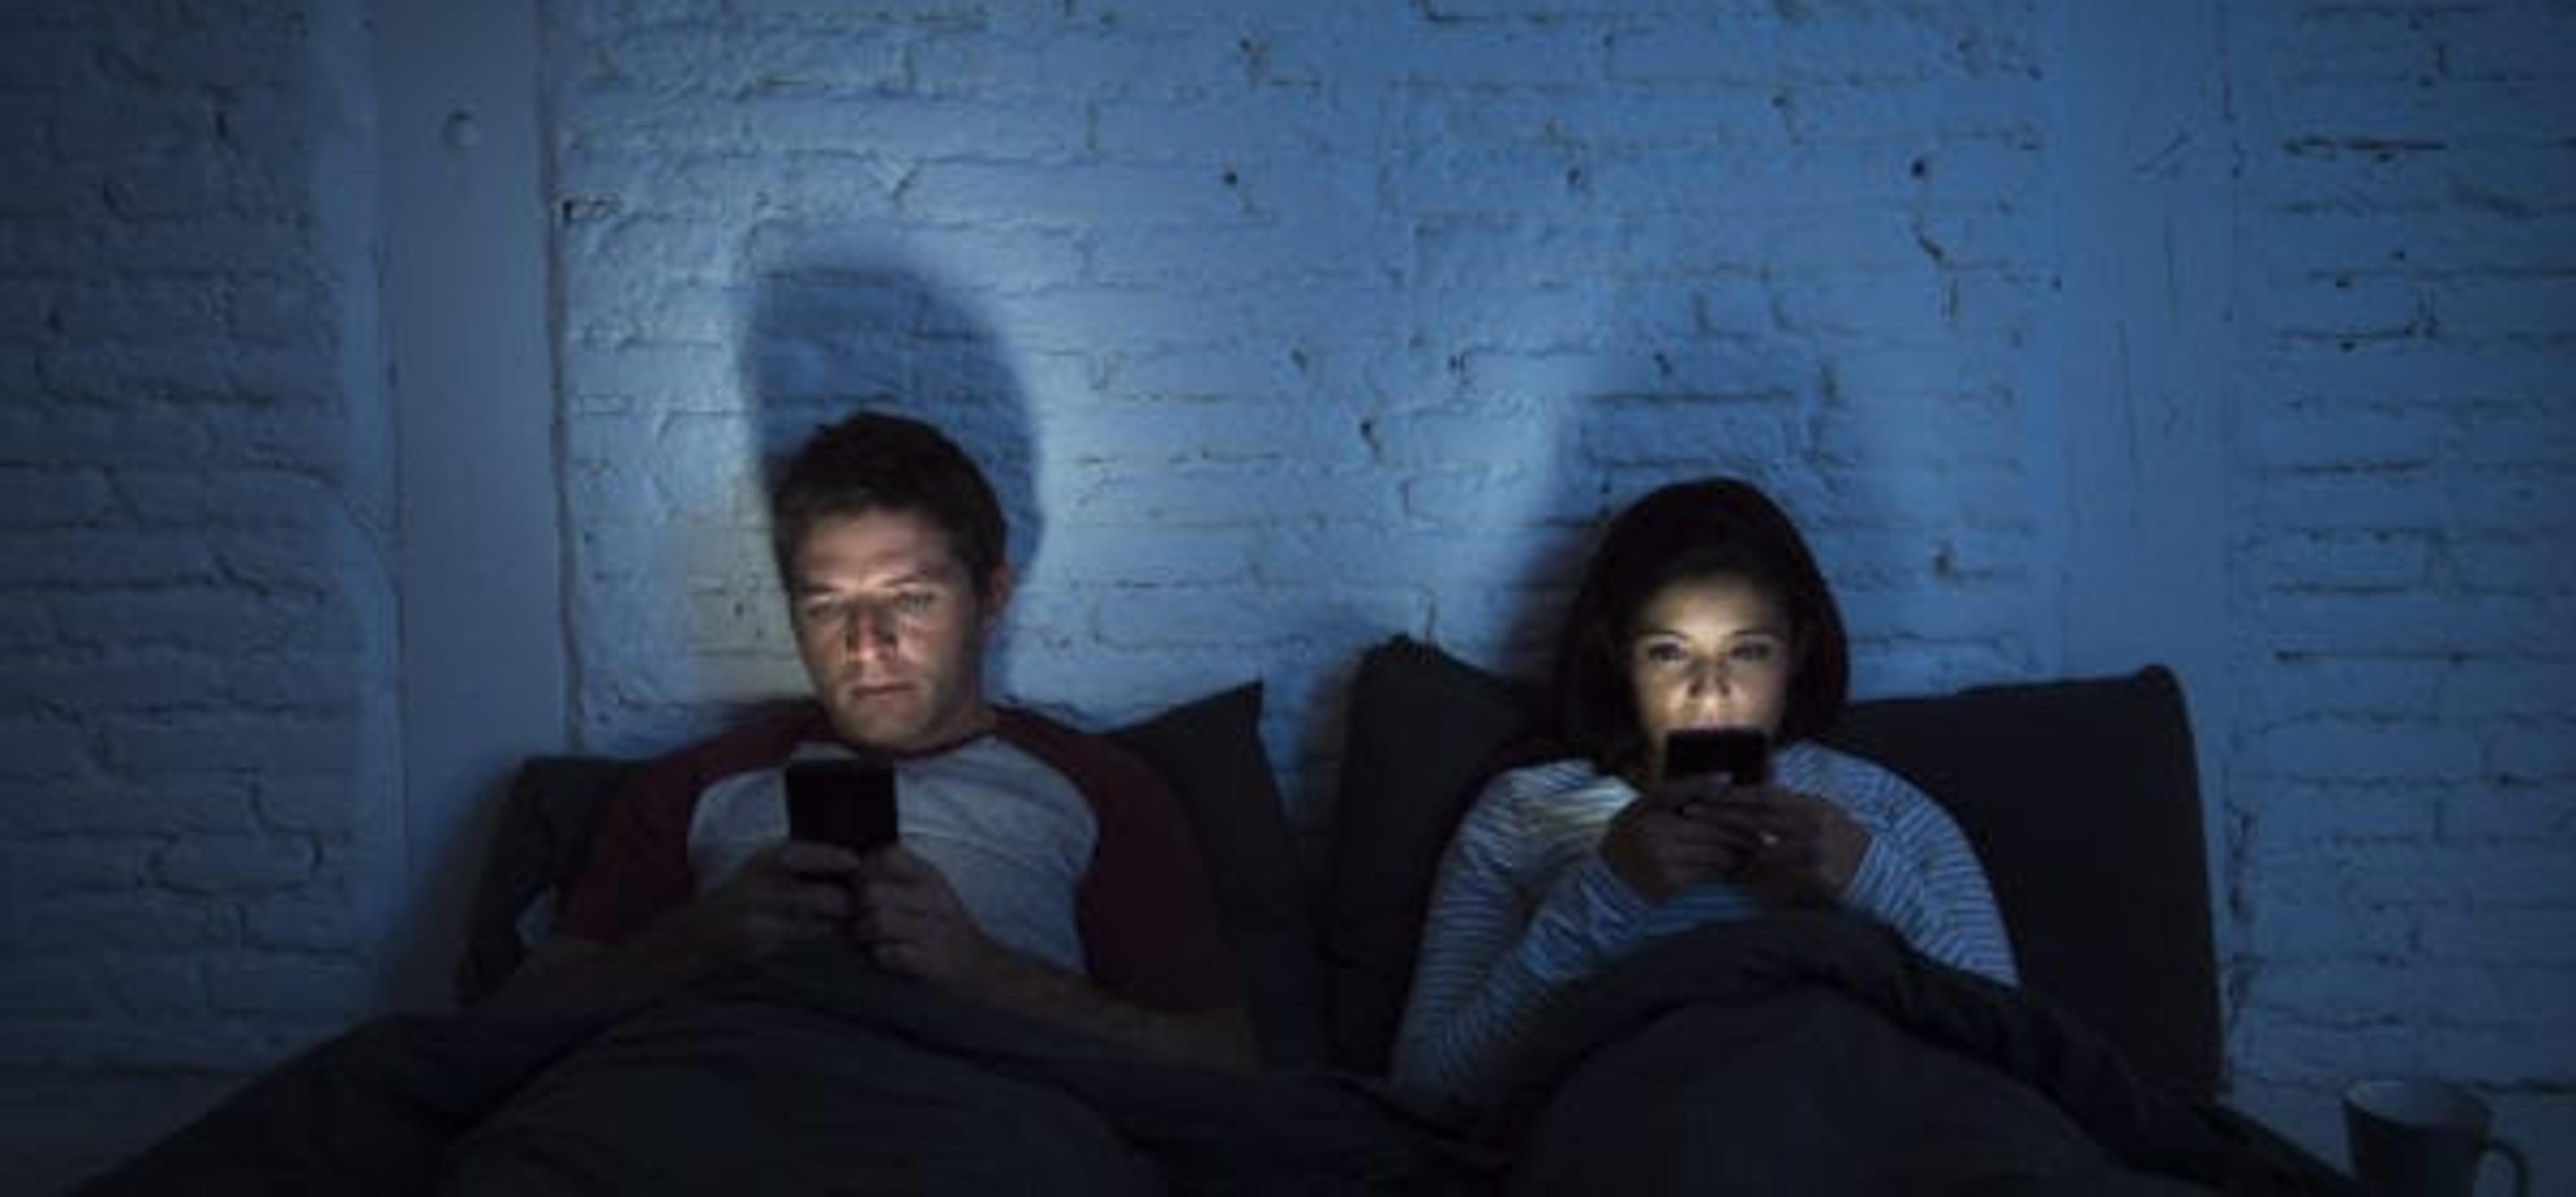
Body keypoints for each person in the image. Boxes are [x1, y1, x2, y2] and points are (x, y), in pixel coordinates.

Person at [490, 410, 1255, 1072]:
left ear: (990, 600)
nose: (867, 644)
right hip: (713, 1097)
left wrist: (984, 974)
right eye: (827, 607)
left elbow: (1223, 1060)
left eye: (911, 599)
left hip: (979, 1116)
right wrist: (696, 943)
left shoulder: (1098, 787)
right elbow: (514, 1021)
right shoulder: (693, 786)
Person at [1389, 477, 2017, 1105]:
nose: (1711, 691)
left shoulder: (1886, 812)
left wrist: (1865, 878)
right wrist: (1609, 893)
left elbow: (2022, 1056)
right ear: (1618, 657)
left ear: (1798, 651)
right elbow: (1428, 1088)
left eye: (1748, 651)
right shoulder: (1523, 815)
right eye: (1669, 653)